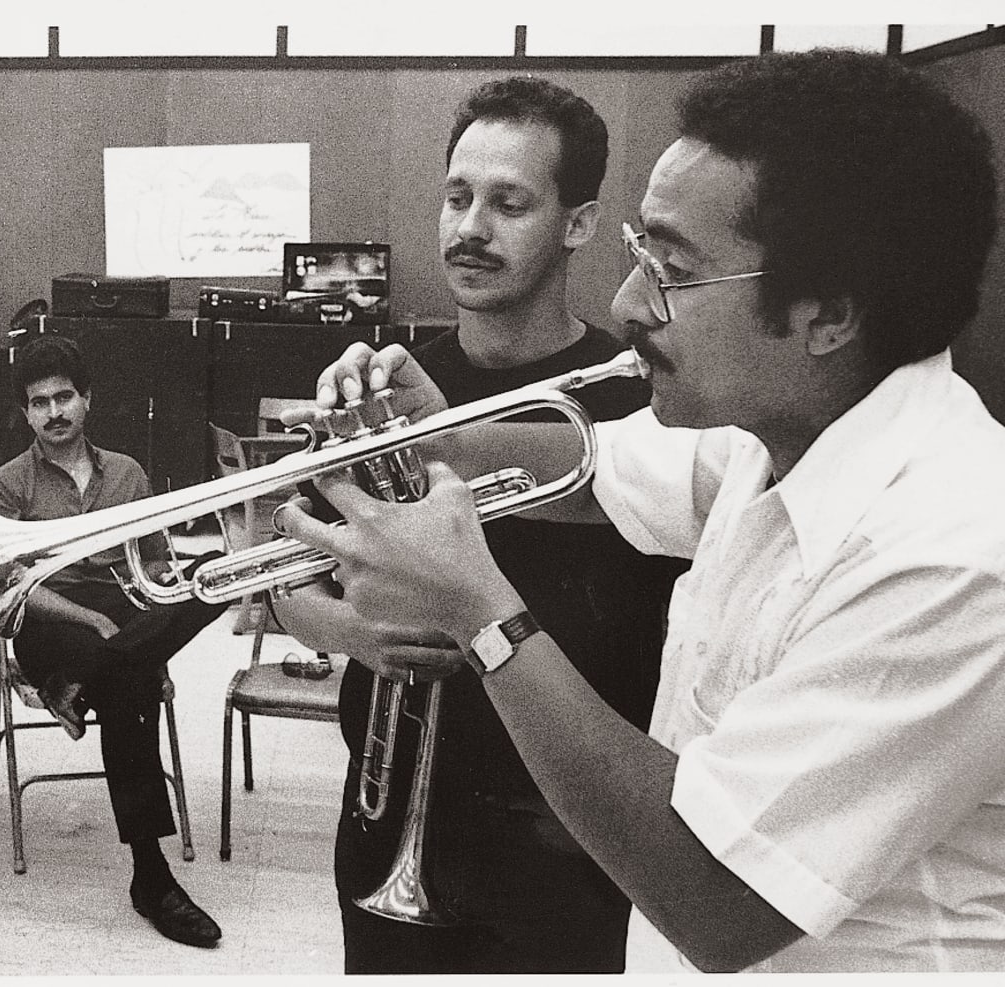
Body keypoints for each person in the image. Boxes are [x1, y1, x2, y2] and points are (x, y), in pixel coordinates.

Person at [280, 49, 1004, 973]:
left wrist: (481, 612)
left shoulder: (954, 557)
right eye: (638, 254)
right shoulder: (773, 435)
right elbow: (593, 468)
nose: (629, 302)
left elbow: (719, 900)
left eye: (671, 270)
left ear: (827, 317)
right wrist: (439, 436)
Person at [271, 76, 685, 974]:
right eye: (457, 198)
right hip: (393, 826)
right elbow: (282, 584)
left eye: (509, 203)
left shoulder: (633, 400)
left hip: (578, 839)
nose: (470, 228)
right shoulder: (387, 387)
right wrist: (355, 630)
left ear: (577, 223)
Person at [0, 334, 223, 949]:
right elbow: (8, 586)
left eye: (65, 397)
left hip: (120, 617)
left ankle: (77, 689)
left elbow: (153, 563)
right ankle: (152, 877)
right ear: (26, 412)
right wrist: (98, 625)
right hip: (50, 623)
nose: (54, 412)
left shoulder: (128, 473)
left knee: (215, 577)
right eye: (40, 403)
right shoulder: (8, 485)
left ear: (88, 400)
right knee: (130, 682)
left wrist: (151, 622)